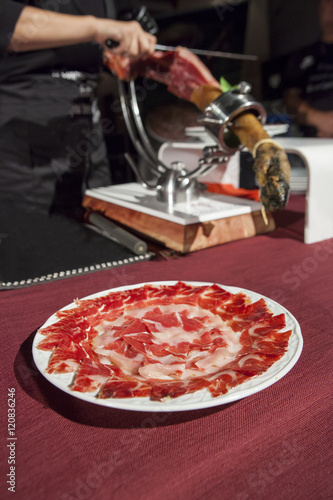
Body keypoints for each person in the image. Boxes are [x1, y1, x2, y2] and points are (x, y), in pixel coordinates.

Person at [0, 1, 156, 217]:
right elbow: (6, 23)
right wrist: (96, 28)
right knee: (32, 238)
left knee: (97, 231)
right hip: (21, 132)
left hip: (86, 131)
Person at [283, 0, 333, 138]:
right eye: (326, 4)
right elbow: (289, 102)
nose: (330, 9)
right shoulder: (301, 57)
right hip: (312, 143)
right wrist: (317, 118)